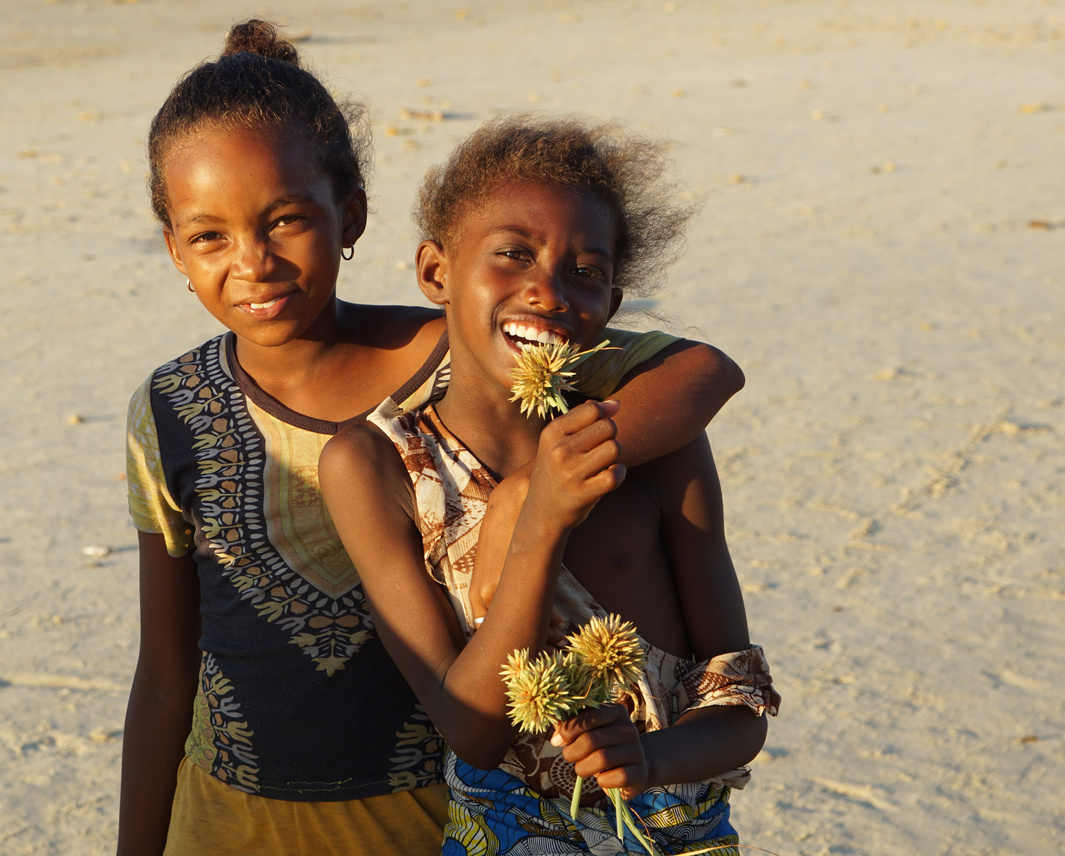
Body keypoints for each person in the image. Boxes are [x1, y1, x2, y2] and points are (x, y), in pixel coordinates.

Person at [118, 22, 748, 856]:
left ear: (351, 217)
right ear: (173, 248)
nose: (254, 263)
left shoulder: (481, 348)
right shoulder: (171, 410)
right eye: (209, 237)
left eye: (286, 221)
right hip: (227, 820)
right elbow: (165, 676)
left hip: (423, 819)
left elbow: (700, 370)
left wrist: (535, 492)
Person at [319, 116, 779, 855]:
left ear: (610, 312)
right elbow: (471, 729)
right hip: (507, 829)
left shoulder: (659, 448)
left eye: (586, 272)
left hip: (673, 826)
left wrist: (650, 758)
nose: (547, 290)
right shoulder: (376, 465)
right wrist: (537, 520)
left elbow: (740, 705)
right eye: (512, 254)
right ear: (436, 272)